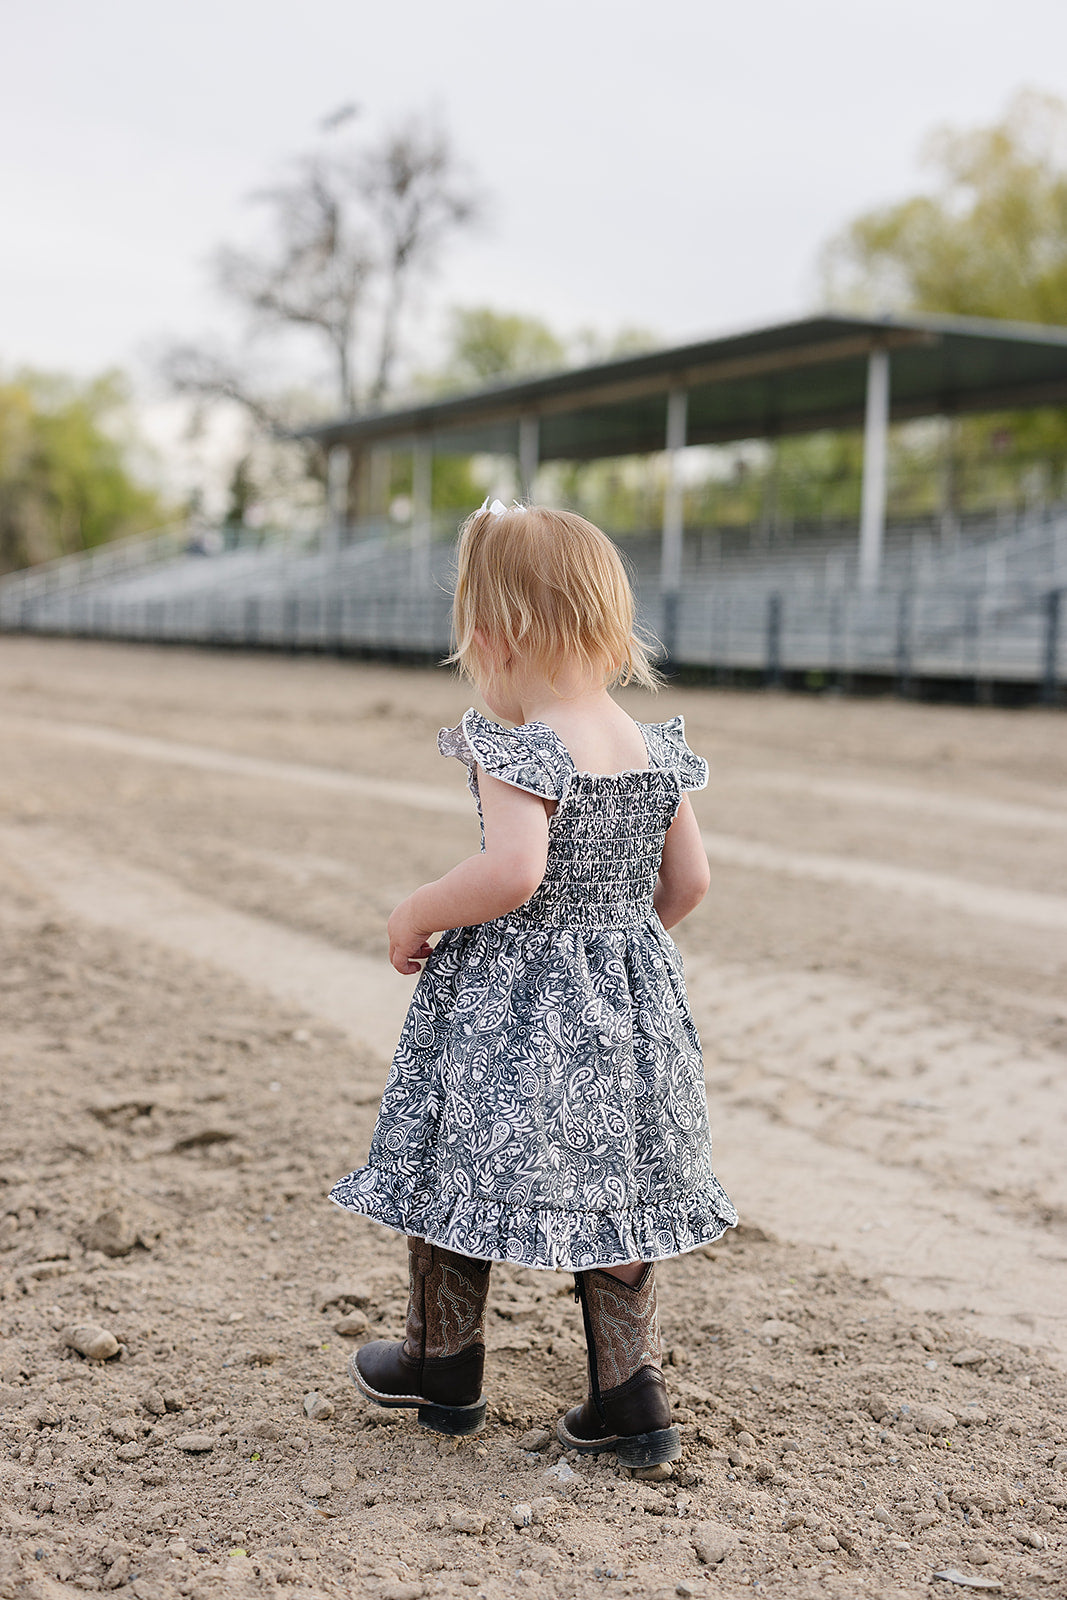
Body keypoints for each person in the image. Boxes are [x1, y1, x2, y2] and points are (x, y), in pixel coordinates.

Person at [330, 500, 737, 1468]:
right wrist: (612, 958)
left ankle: (441, 1361)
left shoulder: (514, 746)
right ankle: (628, 1396)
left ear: (488, 632)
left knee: (457, 1160)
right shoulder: (650, 746)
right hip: (627, 1006)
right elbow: (687, 885)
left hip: (511, 1008)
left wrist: (417, 910)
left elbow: (512, 872)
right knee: (619, 1185)